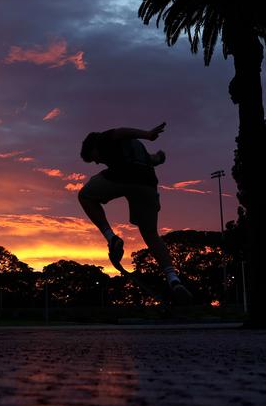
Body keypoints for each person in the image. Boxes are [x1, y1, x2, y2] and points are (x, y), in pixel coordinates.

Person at [78, 122, 192, 303]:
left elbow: (122, 131)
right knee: (150, 234)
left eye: (94, 158)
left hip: (122, 176)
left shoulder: (102, 139)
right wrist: (160, 158)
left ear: (93, 147)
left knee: (85, 196)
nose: (98, 162)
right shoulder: (137, 150)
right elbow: (153, 160)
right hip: (147, 184)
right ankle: (173, 278)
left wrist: (148, 134)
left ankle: (111, 237)